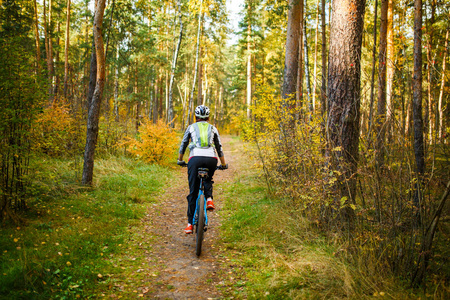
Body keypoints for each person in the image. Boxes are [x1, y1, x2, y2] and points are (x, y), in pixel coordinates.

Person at [178, 105, 227, 234]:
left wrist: (180, 159)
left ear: (196, 117)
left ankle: (189, 224)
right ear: (208, 118)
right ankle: (209, 198)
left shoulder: (191, 127)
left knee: (193, 191)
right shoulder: (213, 128)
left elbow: (184, 143)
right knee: (208, 178)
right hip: (211, 159)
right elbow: (219, 147)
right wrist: (223, 164)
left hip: (195, 159)